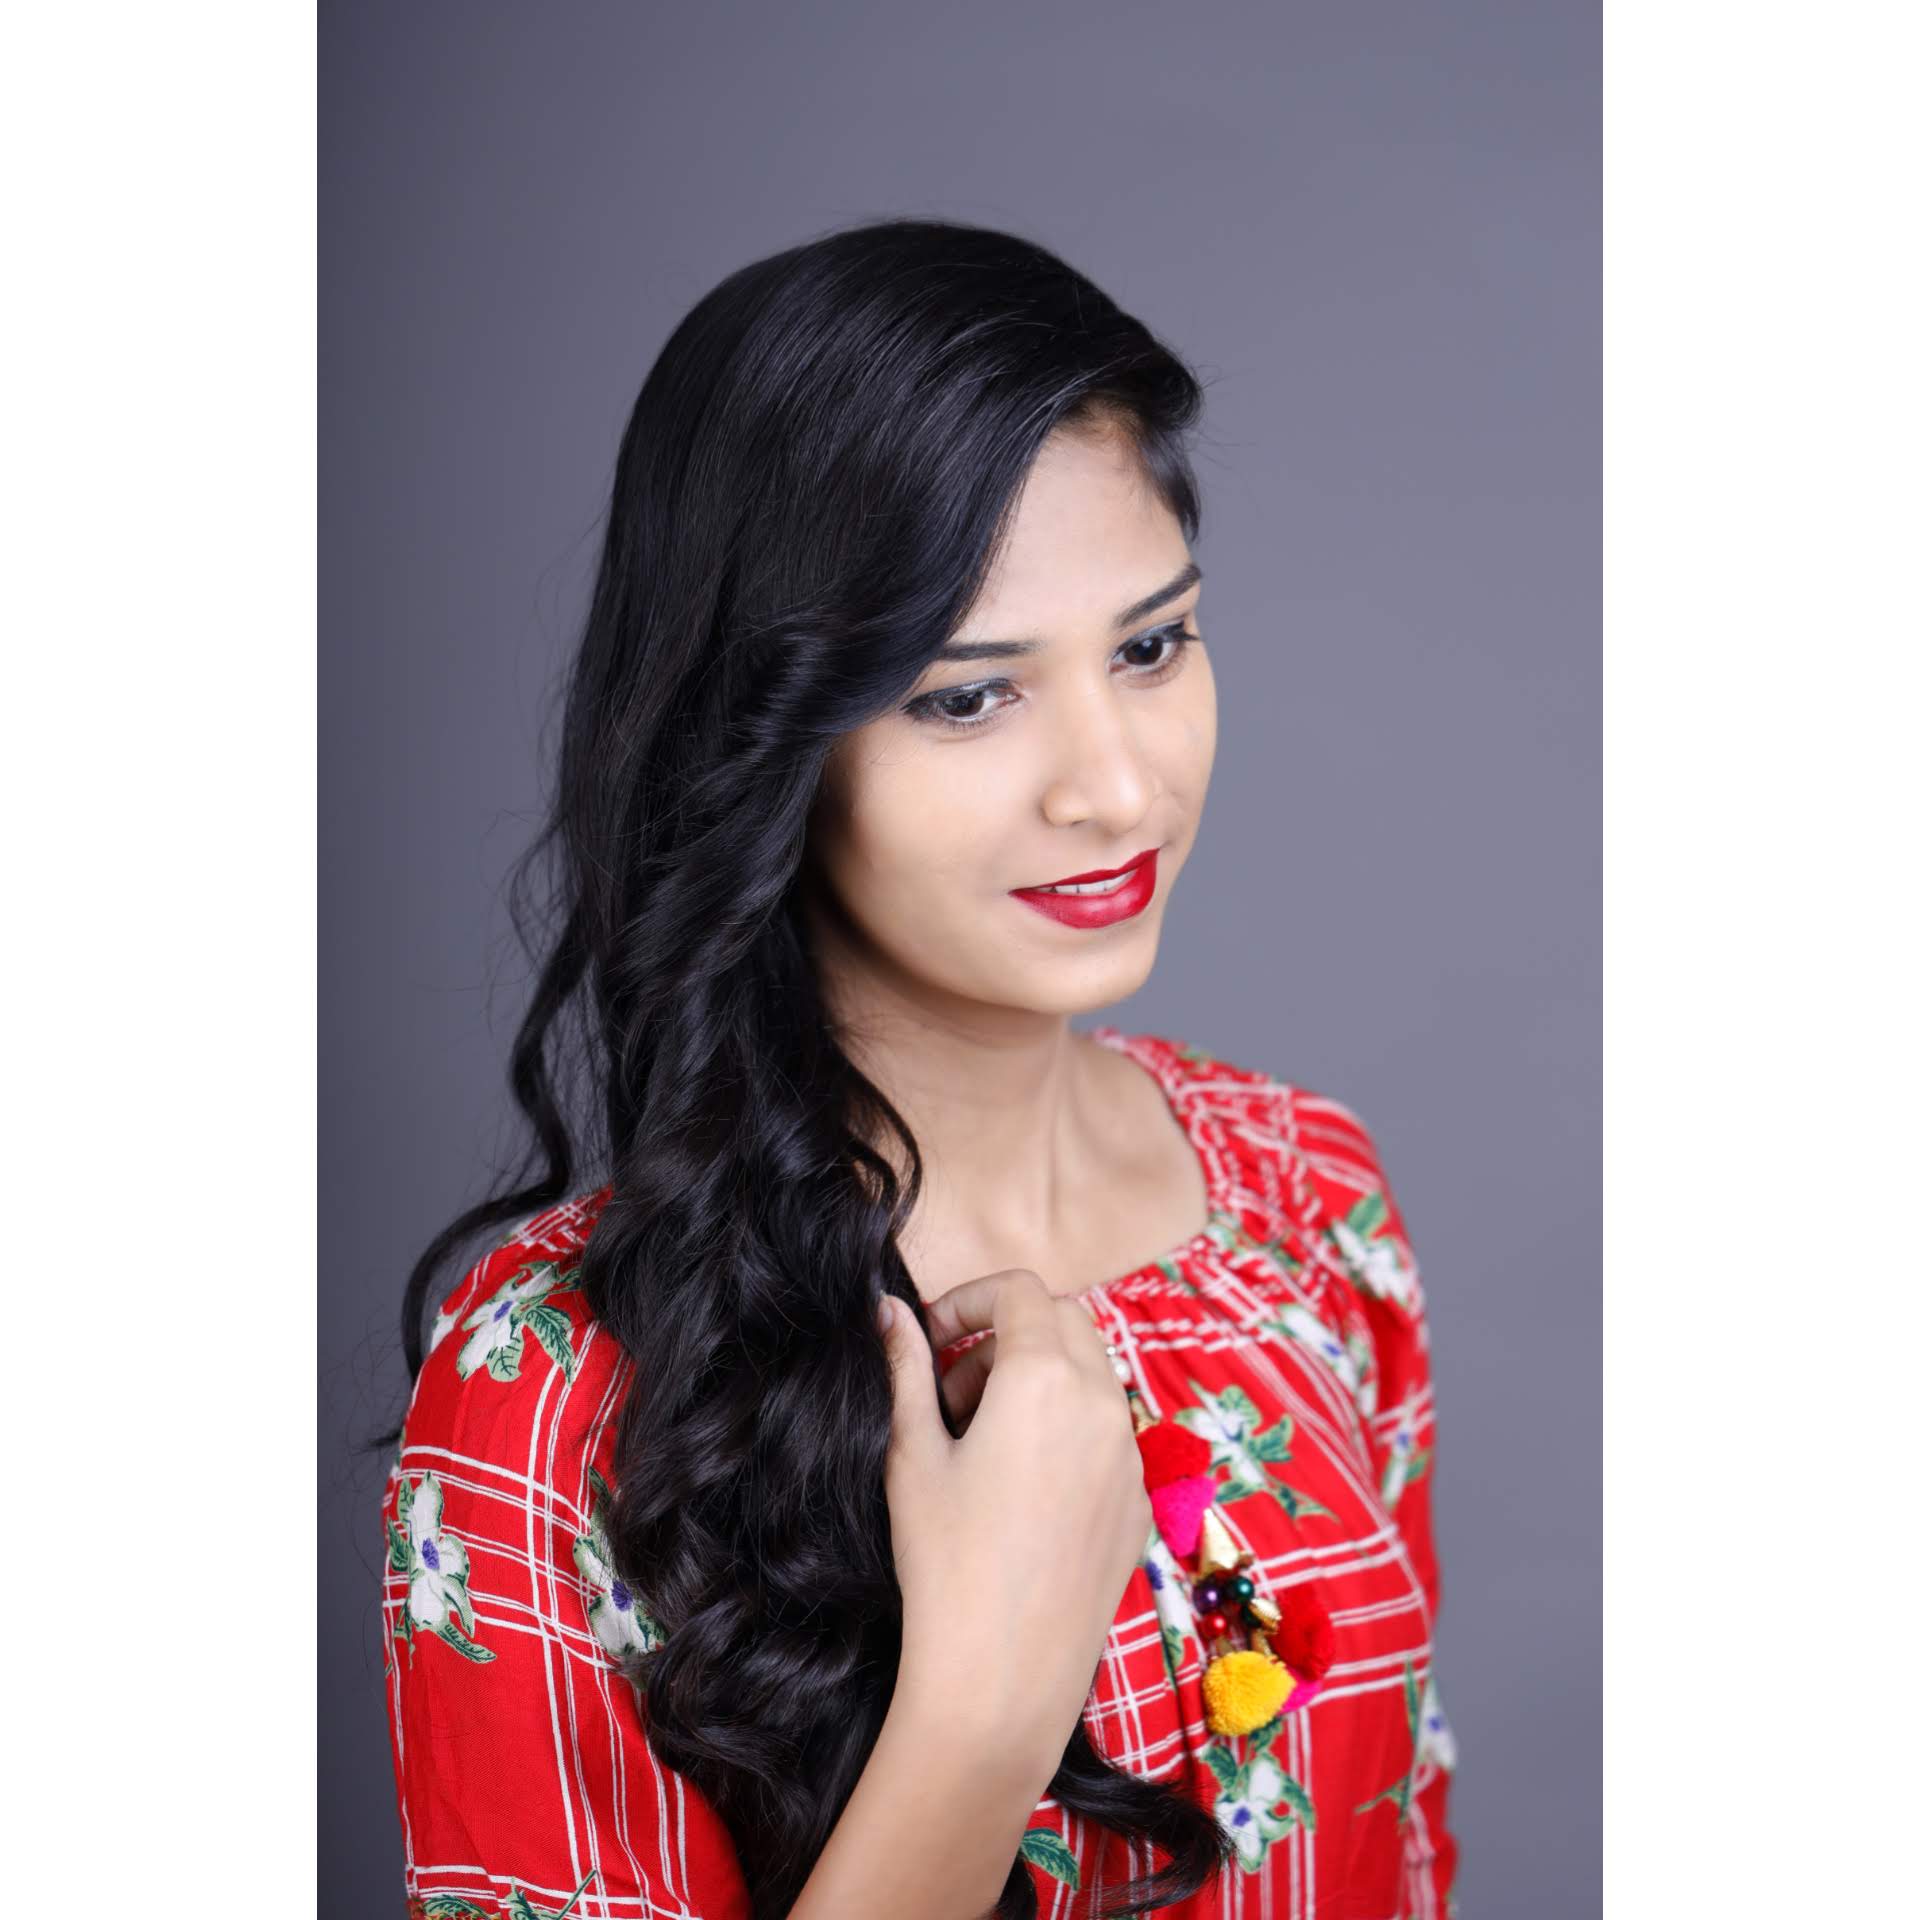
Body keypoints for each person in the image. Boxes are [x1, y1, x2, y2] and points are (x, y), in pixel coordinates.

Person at [374, 217, 1459, 1920]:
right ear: (767, 743)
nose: (1114, 787)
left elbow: (1406, 1854)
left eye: (1151, 645)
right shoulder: (562, 1395)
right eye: (966, 700)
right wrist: (978, 1719)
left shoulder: (1308, 1194)